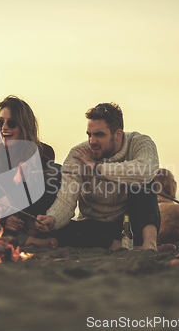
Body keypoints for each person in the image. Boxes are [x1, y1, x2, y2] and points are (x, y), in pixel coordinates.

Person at [36, 102, 160, 251]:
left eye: (99, 135)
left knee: (145, 183)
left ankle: (149, 246)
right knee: (63, 231)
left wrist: (97, 167)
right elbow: (66, 200)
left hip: (130, 223)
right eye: (89, 134)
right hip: (94, 226)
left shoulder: (140, 143)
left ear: (118, 134)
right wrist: (52, 219)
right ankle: (120, 247)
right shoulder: (78, 155)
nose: (92, 141)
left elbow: (146, 170)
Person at [0, 95, 60, 248]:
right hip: (0, 221)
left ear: (25, 126)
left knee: (55, 171)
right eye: (0, 122)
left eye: (11, 123)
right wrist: (4, 219)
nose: (4, 127)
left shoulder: (43, 152)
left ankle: (31, 235)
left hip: (32, 218)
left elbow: (45, 195)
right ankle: (30, 241)